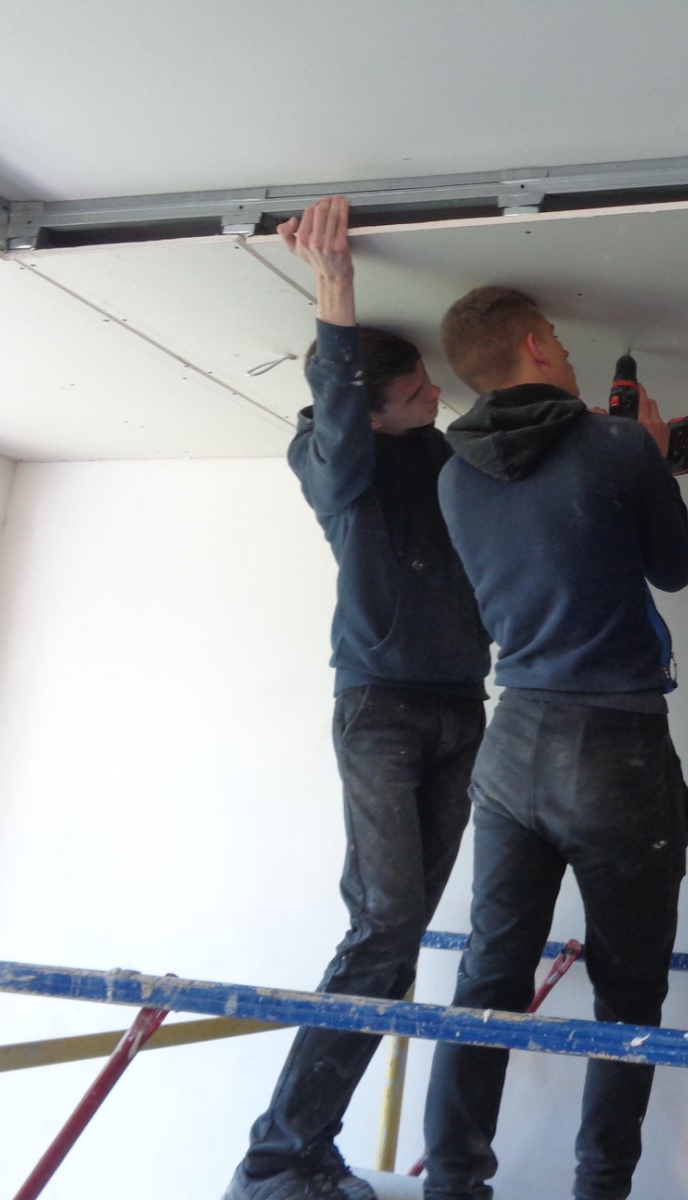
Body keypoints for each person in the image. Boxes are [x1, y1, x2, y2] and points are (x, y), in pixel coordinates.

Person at [224, 196, 492, 1200]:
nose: (435, 393)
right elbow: (337, 424)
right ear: (369, 409)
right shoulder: (333, 462)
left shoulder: (441, 454)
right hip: (381, 708)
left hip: (461, 706)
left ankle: (305, 1149)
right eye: (414, 390)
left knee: (397, 939)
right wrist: (334, 290)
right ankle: (277, 1158)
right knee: (381, 928)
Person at [422, 286, 688, 1200]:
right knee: (628, 996)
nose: (573, 359)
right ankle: (600, 1189)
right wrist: (650, 455)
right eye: (564, 346)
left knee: (487, 982)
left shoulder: (452, 475)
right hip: (615, 744)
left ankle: (452, 1184)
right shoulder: (614, 445)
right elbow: (675, 568)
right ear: (537, 344)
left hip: (513, 745)